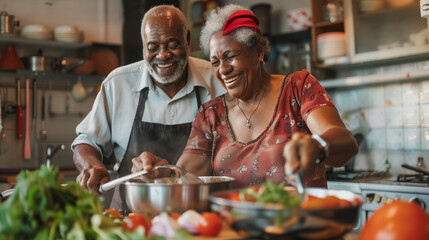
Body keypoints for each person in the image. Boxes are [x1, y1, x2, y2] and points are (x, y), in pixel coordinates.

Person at [133, 4, 358, 188]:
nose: (222, 70)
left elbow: (345, 141)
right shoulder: (211, 115)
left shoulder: (298, 88)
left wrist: (318, 147)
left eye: (230, 56)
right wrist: (160, 172)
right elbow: (184, 177)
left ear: (259, 51)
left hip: (301, 225)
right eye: (215, 62)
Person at [71, 5, 225, 209]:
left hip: (198, 216)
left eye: (172, 45)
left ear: (187, 40)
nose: (163, 55)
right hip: (130, 216)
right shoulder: (118, 84)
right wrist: (91, 164)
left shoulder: (217, 79)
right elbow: (87, 140)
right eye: (152, 48)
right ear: (143, 46)